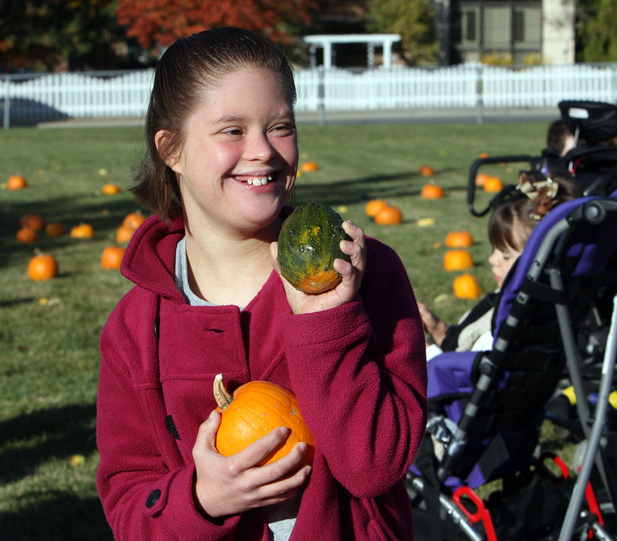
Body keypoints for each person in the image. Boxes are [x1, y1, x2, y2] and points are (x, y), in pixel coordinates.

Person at [95, 27, 427, 541]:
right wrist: (201, 501)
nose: (263, 152)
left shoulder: (362, 273)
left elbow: (374, 467)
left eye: (280, 127)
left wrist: (329, 322)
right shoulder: (136, 330)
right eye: (232, 130)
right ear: (172, 149)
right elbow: (130, 510)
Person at [418, 172, 579, 359]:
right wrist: (438, 329)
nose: (492, 260)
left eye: (505, 255)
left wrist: (426, 351)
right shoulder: (538, 307)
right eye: (494, 250)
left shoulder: (508, 328)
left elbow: (465, 376)